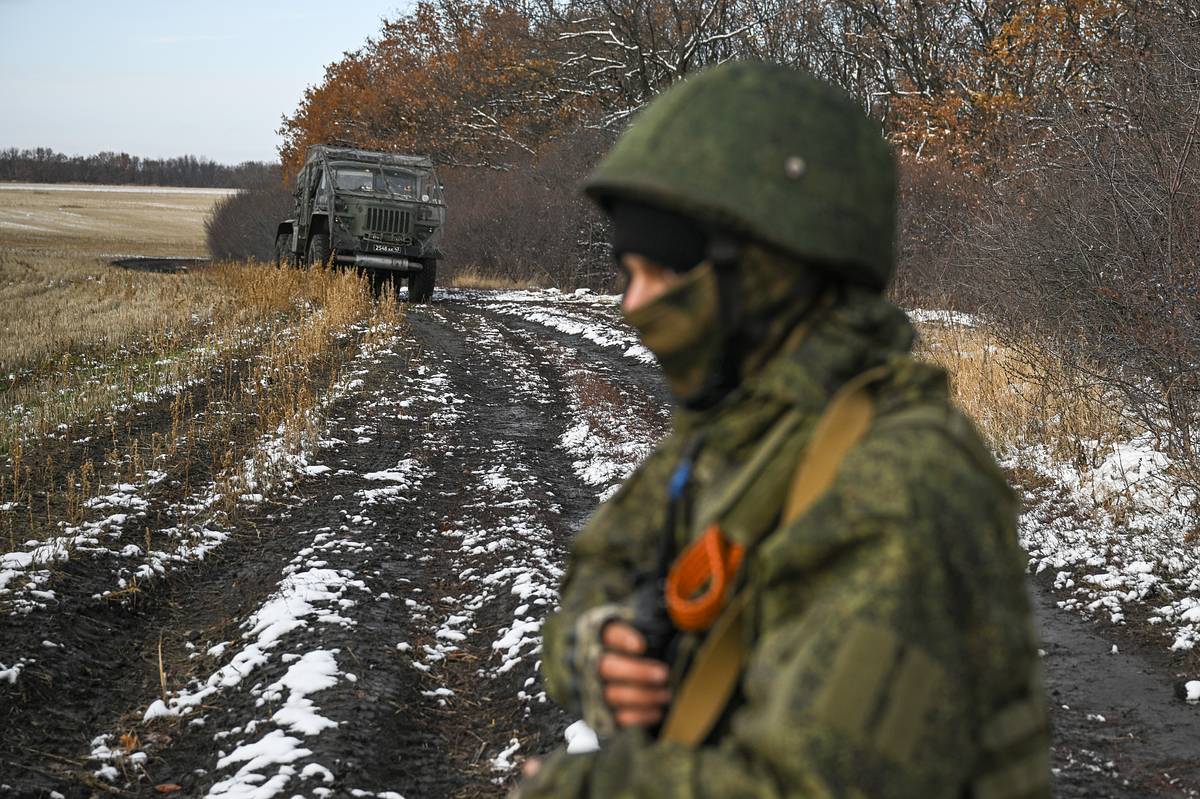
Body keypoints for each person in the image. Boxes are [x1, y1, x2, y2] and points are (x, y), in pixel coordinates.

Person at [516, 61, 1050, 798]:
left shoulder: (900, 479)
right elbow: (598, 566)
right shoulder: (738, 429)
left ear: (769, 270)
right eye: (626, 272)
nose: (633, 305)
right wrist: (599, 650)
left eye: (664, 274)